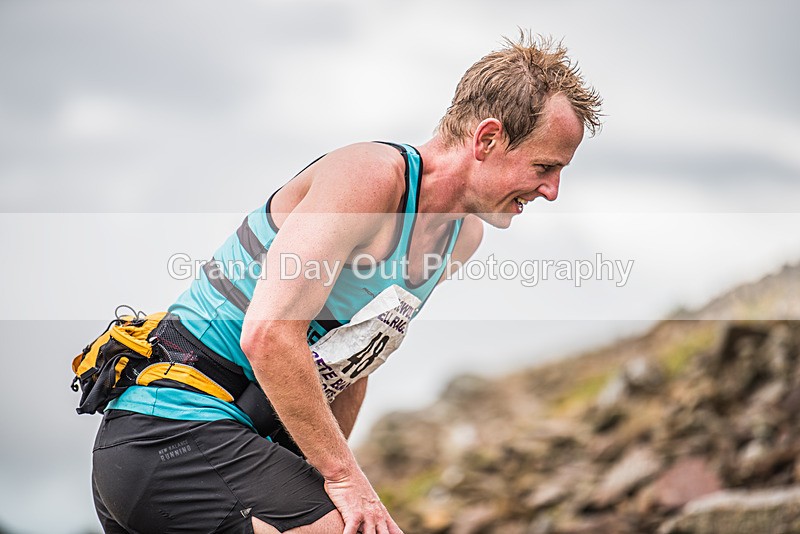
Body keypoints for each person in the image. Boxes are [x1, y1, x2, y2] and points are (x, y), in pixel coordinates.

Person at [89, 33, 601, 534]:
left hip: (223, 442)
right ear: (487, 140)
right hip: (166, 432)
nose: (552, 190)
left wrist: (326, 482)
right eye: (545, 166)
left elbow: (350, 364)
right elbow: (268, 334)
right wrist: (344, 480)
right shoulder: (370, 178)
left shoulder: (461, 239)